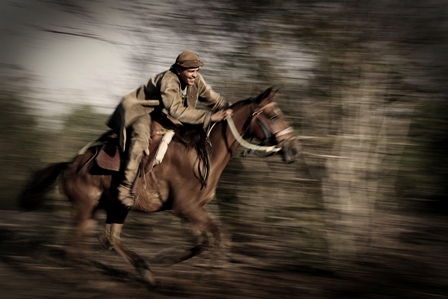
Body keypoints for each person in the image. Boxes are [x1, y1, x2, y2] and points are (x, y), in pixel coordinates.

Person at [106, 50, 233, 209]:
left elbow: (212, 98)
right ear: (179, 70)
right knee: (141, 139)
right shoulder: (169, 81)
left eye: (197, 71)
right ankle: (124, 187)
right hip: (139, 110)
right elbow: (177, 111)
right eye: (191, 71)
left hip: (158, 111)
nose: (195, 75)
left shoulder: (196, 80)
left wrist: (229, 107)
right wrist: (210, 117)